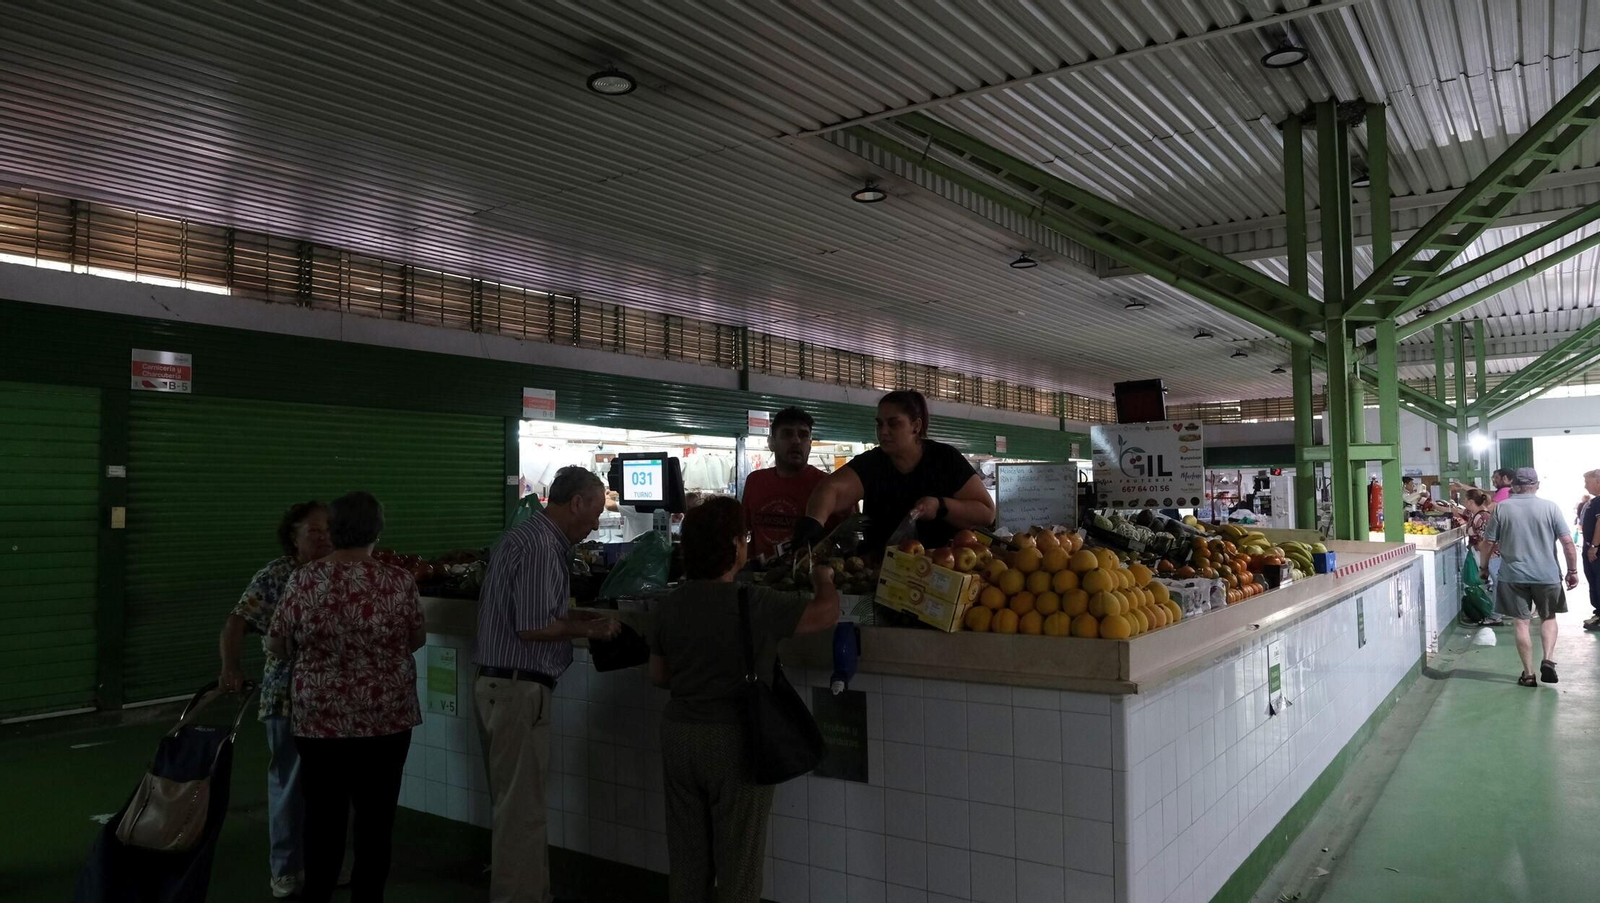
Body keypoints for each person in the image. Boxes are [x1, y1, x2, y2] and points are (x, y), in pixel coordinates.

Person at [647, 497, 840, 903]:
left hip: (679, 737)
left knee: (687, 860)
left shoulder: (670, 604)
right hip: (734, 742)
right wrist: (824, 578)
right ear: (735, 546)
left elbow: (658, 676)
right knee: (739, 866)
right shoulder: (752, 602)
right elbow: (824, 615)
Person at [267, 491, 424, 903]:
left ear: (334, 531)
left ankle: (317, 892)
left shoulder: (304, 579)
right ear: (377, 530)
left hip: (320, 719)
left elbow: (278, 644)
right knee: (376, 821)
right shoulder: (398, 580)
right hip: (386, 719)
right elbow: (415, 639)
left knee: (323, 819)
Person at [474, 466, 623, 903]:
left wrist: (579, 620)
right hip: (518, 690)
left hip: (507, 688)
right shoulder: (541, 545)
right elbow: (535, 625)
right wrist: (592, 630)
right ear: (575, 502)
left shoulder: (528, 537)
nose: (596, 523)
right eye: (594, 513)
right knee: (521, 814)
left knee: (523, 809)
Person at [217, 500, 334, 899]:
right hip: (287, 697)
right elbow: (236, 621)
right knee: (289, 783)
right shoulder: (277, 574)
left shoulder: (340, 571)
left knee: (330, 788)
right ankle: (285, 869)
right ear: (293, 537)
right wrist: (230, 668)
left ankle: (325, 860)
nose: (323, 537)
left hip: (335, 700)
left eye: (328, 530)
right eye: (313, 531)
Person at [797, 390, 995, 554]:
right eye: (879, 423)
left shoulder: (945, 459)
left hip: (940, 575)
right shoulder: (873, 463)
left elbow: (986, 513)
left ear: (916, 426)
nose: (883, 431)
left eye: (893, 423)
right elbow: (831, 488)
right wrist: (814, 522)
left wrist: (941, 506)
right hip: (879, 574)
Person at [1480, 468, 1580, 686]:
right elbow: (1568, 543)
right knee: (1549, 617)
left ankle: (1528, 674)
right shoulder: (1550, 508)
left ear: (1514, 486)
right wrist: (1572, 571)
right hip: (1547, 575)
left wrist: (1484, 567)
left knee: (1521, 623)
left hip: (1513, 575)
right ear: (1537, 485)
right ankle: (1548, 659)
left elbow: (1488, 543)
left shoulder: (1502, 508)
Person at [742, 406, 828, 560]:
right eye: (787, 434)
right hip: (758, 577)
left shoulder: (827, 486)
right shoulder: (755, 481)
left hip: (805, 579)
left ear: (810, 444)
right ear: (771, 443)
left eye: (803, 435)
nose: (796, 441)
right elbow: (745, 533)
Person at [1458, 490, 1504, 627]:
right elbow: (1458, 512)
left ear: (1471, 501)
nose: (1463, 502)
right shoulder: (1473, 514)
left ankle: (1496, 616)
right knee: (1491, 584)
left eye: (1465, 500)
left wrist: (1484, 563)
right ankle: (1494, 613)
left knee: (1495, 584)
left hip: (1491, 555)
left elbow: (1486, 542)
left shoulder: (1484, 517)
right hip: (1483, 554)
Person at [1580, 471, 1600, 630]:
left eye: (1588, 482)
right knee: (1593, 582)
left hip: (1596, 550)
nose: (1585, 485)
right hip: (1589, 546)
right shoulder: (1594, 501)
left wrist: (1594, 546)